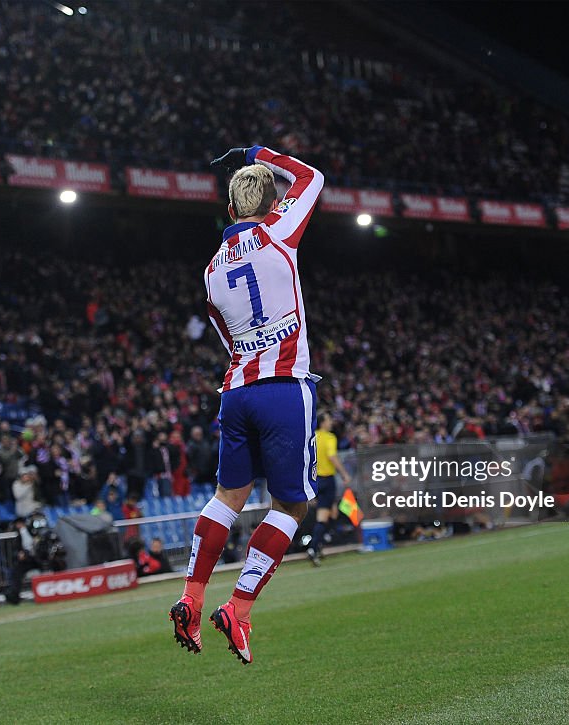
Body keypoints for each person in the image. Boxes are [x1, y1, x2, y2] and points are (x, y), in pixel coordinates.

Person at [170, 144, 324, 664]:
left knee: (227, 497)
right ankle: (238, 608)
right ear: (273, 204)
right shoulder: (279, 230)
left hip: (237, 390)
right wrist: (259, 153)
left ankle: (191, 598)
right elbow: (311, 177)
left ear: (230, 209)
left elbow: (228, 339)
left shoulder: (211, 270)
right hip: (284, 387)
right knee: (292, 505)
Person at [307, 413, 351, 565]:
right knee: (323, 517)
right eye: (328, 420)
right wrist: (344, 474)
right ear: (323, 423)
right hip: (327, 479)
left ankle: (319, 544)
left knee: (332, 512)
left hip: (315, 480)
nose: (331, 422)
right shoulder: (329, 437)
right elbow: (332, 456)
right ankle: (313, 547)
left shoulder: (312, 437)